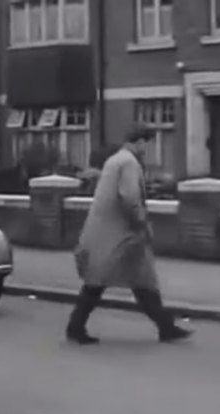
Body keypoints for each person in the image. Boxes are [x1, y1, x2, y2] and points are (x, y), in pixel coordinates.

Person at [65, 126, 193, 345]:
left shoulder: (115, 160)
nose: (148, 148)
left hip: (110, 233)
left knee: (139, 280)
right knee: (101, 282)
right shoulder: (129, 163)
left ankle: (166, 327)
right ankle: (75, 327)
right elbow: (130, 197)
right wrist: (141, 222)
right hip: (121, 234)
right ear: (139, 142)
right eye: (147, 143)